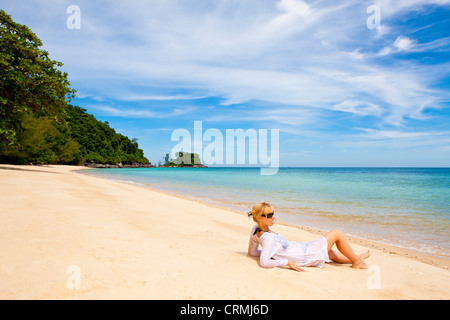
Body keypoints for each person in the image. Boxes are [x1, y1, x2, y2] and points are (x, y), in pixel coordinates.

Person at [247, 201, 369, 271]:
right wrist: (285, 261)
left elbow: (252, 252)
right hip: (303, 255)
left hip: (301, 249)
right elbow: (264, 262)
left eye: (272, 214)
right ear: (259, 218)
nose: (273, 217)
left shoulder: (255, 229)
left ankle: (356, 257)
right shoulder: (267, 238)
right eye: (269, 216)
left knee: (330, 253)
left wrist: (270, 253)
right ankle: (357, 262)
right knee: (336, 233)